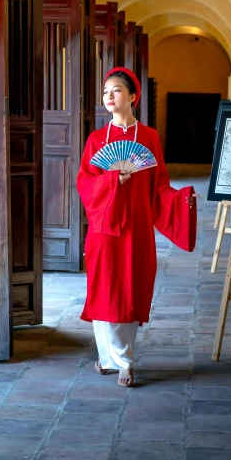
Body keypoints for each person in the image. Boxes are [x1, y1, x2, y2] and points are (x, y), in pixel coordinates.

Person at [77, 67, 197, 387]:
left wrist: (180, 197)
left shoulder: (149, 138)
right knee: (103, 292)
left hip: (136, 228)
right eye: (105, 91)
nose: (109, 96)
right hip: (103, 229)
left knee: (127, 292)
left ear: (132, 97)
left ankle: (125, 361)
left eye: (116, 90)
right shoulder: (94, 141)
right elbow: (85, 184)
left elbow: (159, 185)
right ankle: (108, 357)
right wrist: (112, 179)